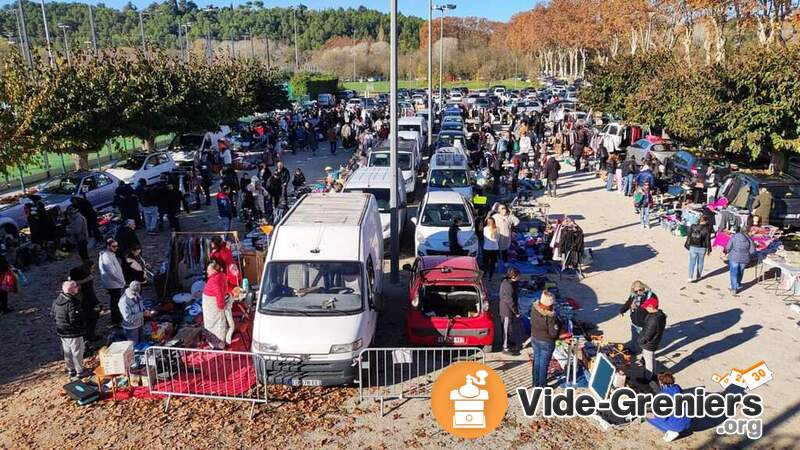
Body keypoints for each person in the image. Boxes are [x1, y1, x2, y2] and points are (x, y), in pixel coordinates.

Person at [52, 281, 91, 379]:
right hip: (73, 332)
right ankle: (80, 371)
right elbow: (75, 319)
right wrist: (82, 326)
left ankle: (71, 369)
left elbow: (52, 314)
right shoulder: (72, 302)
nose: (78, 288)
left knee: (67, 351)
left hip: (62, 331)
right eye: (76, 286)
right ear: (71, 289)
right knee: (77, 351)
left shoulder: (57, 300)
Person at [646, 372, 692, 442]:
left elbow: (660, 416)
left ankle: (671, 431)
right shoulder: (677, 387)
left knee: (648, 417)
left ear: (661, 383)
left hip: (677, 425)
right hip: (688, 421)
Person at [531, 290, 562, 387]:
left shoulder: (534, 308)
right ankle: (542, 386)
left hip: (535, 338)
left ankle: (535, 383)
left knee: (536, 361)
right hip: (546, 342)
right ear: (548, 305)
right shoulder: (550, 316)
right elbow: (553, 333)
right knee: (543, 364)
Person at [619, 281, 657, 354]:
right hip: (635, 323)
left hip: (646, 325)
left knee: (645, 342)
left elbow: (654, 308)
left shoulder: (651, 296)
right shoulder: (633, 295)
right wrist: (622, 311)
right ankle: (633, 350)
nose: (638, 292)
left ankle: (644, 358)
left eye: (640, 290)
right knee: (634, 338)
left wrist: (640, 306)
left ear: (644, 288)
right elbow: (628, 303)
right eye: (636, 291)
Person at [202, 262, 234, 349]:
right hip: (211, 305)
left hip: (212, 306)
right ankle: (218, 341)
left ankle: (219, 343)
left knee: (215, 324)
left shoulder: (215, 280)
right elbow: (223, 289)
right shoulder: (221, 276)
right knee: (216, 323)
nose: (207, 271)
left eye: (209, 270)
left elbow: (219, 293)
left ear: (214, 270)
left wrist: (221, 306)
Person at [69, 261, 100, 348]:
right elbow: (90, 293)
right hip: (87, 303)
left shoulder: (76, 276)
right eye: (93, 268)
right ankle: (90, 338)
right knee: (92, 318)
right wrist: (96, 303)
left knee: (87, 321)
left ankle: (89, 337)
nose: (94, 269)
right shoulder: (87, 279)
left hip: (80, 303)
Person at [637, 296, 666, 383]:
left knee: (648, 360)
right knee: (652, 358)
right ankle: (653, 374)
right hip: (655, 341)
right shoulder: (660, 315)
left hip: (649, 343)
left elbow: (647, 334)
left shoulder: (653, 319)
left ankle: (647, 378)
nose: (645, 308)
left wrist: (641, 341)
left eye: (647, 307)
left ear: (651, 307)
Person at [98, 239, 125, 326]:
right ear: (108, 246)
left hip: (114, 282)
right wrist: (121, 281)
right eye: (113, 246)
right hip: (113, 283)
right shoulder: (106, 257)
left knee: (115, 301)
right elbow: (111, 272)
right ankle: (116, 319)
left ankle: (116, 317)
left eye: (117, 246)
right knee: (115, 302)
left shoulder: (109, 255)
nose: (116, 248)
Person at [724, 225, 756, 295]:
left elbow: (728, 246)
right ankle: (737, 284)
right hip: (744, 258)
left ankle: (734, 288)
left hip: (734, 257)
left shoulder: (734, 236)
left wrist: (727, 251)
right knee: (740, 272)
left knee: (733, 273)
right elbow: (752, 251)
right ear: (748, 231)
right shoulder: (750, 239)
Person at [499, 268, 521, 355]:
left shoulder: (507, 282)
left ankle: (507, 341)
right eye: (518, 276)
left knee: (509, 328)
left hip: (507, 310)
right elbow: (510, 301)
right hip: (506, 311)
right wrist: (516, 312)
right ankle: (505, 347)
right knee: (506, 328)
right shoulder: (508, 286)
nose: (519, 277)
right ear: (514, 276)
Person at [685, 215, 712, 282]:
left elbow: (688, 235)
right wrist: (709, 249)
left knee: (692, 262)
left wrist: (687, 244)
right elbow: (708, 240)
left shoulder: (693, 226)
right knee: (700, 262)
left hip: (693, 246)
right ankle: (698, 276)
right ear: (705, 221)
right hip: (702, 248)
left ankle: (690, 277)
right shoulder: (706, 229)